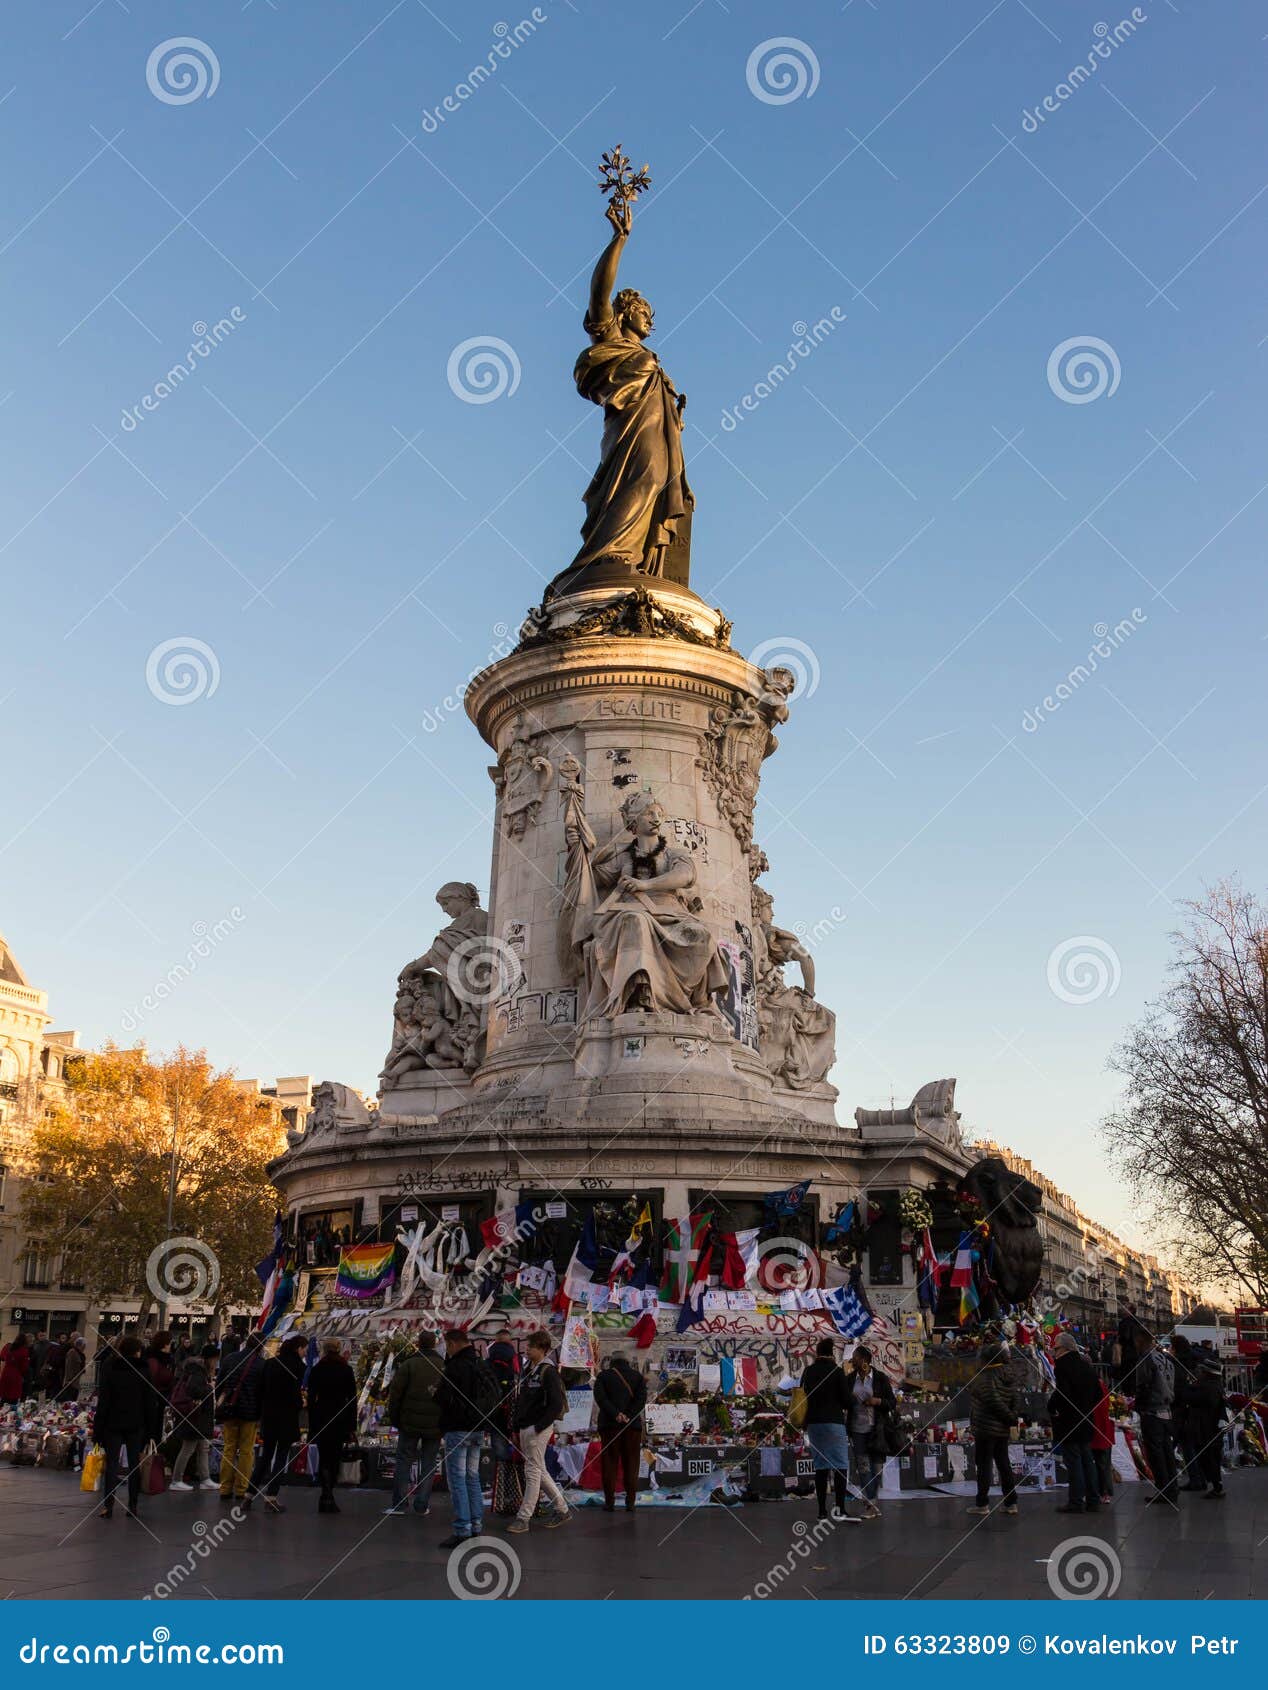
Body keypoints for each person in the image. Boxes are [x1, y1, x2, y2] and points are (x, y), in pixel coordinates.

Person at [437, 1328, 498, 1545]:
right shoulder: (481, 1363)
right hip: (478, 1428)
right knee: (473, 1477)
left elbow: (444, 1397)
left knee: (457, 1479)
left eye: (447, 1346)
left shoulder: (454, 1366)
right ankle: (476, 1524)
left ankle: (462, 1528)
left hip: (458, 1428)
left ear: (452, 1344)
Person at [92, 1334, 162, 1520]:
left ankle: (108, 1506)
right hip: (136, 1423)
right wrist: (152, 1430)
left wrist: (98, 1429)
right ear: (137, 1351)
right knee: (134, 1465)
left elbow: (104, 1402)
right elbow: (150, 1402)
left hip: (112, 1422)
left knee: (112, 1465)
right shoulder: (144, 1369)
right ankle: (132, 1505)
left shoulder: (110, 1368)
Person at [509, 1329, 571, 1534]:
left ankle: (523, 1517)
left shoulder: (548, 1372)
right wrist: (516, 1427)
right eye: (527, 1346)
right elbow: (521, 1400)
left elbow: (556, 1404)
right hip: (526, 1426)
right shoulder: (528, 1369)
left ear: (543, 1349)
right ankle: (562, 1509)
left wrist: (538, 1427)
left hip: (537, 1428)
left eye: (531, 1346)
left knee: (532, 1471)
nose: (527, 1349)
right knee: (538, 1469)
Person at [798, 1338, 860, 1523]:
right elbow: (846, 1400)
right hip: (833, 1422)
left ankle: (822, 1512)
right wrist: (854, 1400)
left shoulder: (808, 1371)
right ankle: (840, 1509)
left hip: (814, 1424)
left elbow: (803, 1396)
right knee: (840, 1466)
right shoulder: (837, 1371)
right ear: (831, 1352)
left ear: (817, 1353)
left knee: (821, 1467)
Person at [384, 1330, 444, 1517]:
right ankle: (422, 1504)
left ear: (418, 1343)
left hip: (409, 1423)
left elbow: (395, 1395)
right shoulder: (443, 1366)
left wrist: (396, 1419)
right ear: (434, 1344)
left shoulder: (409, 1364)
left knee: (404, 1461)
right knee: (429, 1463)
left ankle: (399, 1504)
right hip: (435, 1424)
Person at [1050, 1332, 1103, 1514]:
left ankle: (1076, 1501)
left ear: (1064, 1348)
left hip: (1069, 1420)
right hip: (1086, 1418)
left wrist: (1053, 1407)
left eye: (1056, 1348)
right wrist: (1086, 1406)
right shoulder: (1085, 1365)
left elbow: (1062, 1393)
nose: (1054, 1352)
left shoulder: (1063, 1366)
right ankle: (1093, 1499)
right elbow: (1098, 1393)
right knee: (1088, 1460)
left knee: (1074, 1461)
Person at [254, 1334, 307, 1514]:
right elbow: (294, 1394)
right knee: (281, 1457)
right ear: (298, 1348)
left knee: (265, 1456)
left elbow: (260, 1389)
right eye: (304, 1349)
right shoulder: (298, 1367)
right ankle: (271, 1496)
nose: (305, 1353)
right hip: (286, 1418)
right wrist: (300, 1403)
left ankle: (248, 1494)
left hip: (269, 1416)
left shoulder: (270, 1363)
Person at [967, 1341, 1019, 1516]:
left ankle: (982, 1503)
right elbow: (1015, 1398)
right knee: (1004, 1464)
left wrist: (1009, 1417)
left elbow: (992, 1399)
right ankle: (1011, 1502)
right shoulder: (1008, 1373)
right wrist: (1012, 1417)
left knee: (984, 1466)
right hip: (1002, 1428)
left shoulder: (984, 1376)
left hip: (985, 1427)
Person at [842, 1344, 895, 1518]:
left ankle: (872, 1502)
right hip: (857, 1430)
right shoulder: (850, 1379)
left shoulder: (880, 1378)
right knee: (864, 1468)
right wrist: (850, 1400)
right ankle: (871, 1505)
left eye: (855, 1358)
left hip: (877, 1430)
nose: (852, 1361)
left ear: (865, 1360)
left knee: (877, 1469)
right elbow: (844, 1403)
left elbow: (892, 1402)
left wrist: (876, 1401)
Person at [306, 1338, 358, 1515]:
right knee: (335, 1457)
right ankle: (329, 1494)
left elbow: (311, 1398)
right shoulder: (346, 1370)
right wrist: (352, 1425)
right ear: (338, 1349)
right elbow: (352, 1399)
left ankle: (325, 1493)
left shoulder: (317, 1369)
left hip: (322, 1417)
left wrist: (312, 1422)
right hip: (340, 1418)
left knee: (324, 1456)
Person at [215, 1333, 265, 1507]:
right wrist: (260, 1415)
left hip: (230, 1411)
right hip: (250, 1413)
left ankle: (225, 1488)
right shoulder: (261, 1364)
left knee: (229, 1448)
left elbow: (219, 1384)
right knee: (246, 1451)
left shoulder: (230, 1359)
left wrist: (221, 1402)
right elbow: (262, 1393)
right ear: (261, 1346)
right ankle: (242, 1489)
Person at [594, 1353, 647, 1513]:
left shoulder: (603, 1376)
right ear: (627, 1362)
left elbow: (601, 1398)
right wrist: (628, 1415)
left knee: (609, 1463)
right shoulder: (637, 1377)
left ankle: (609, 1502)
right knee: (631, 1464)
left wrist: (616, 1414)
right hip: (632, 1427)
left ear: (611, 1362)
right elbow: (641, 1400)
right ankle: (630, 1502)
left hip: (610, 1426)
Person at [1132, 1328, 1179, 1508]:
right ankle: (1172, 1487)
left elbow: (1144, 1385)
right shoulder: (1165, 1358)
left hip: (1152, 1410)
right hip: (1166, 1408)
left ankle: (1164, 1489)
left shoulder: (1146, 1359)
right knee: (1167, 1452)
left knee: (1156, 1454)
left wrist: (1139, 1405)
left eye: (1136, 1342)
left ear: (1141, 1341)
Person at [169, 1343, 218, 1492]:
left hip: (197, 1416)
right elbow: (194, 1390)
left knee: (203, 1447)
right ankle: (176, 1480)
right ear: (210, 1358)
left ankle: (205, 1478)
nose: (216, 1363)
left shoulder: (197, 1370)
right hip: (194, 1417)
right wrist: (209, 1388)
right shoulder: (198, 1372)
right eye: (215, 1359)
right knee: (188, 1448)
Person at [1185, 1360, 1228, 1500]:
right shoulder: (1214, 1385)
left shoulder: (1209, 1387)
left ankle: (1217, 1487)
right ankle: (1214, 1485)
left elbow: (1193, 1398)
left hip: (1207, 1430)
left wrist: (1188, 1387)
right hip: (1208, 1430)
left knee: (1210, 1459)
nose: (1199, 1373)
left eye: (1202, 1371)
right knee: (1210, 1459)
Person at [1090, 1374, 1115, 1505]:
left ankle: (1101, 1492)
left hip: (1096, 1429)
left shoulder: (1091, 1386)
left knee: (1099, 1464)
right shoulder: (1101, 1385)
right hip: (1104, 1429)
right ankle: (1105, 1492)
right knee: (1104, 1464)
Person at [144, 1330, 176, 1404]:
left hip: (165, 1398)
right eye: (169, 1344)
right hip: (157, 1399)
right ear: (164, 1345)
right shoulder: (153, 1360)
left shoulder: (168, 1358)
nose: (170, 1346)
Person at [0, 1332, 32, 1405]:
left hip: (6, 1373)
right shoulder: (24, 1351)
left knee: (4, 1396)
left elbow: (2, 1357)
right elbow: (24, 1367)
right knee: (13, 1397)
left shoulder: (8, 1347)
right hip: (16, 1375)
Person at [60, 1335, 88, 1404]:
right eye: (84, 1346)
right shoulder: (72, 1352)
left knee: (74, 1400)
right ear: (81, 1345)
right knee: (69, 1401)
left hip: (76, 1381)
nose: (84, 1348)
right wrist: (69, 1380)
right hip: (71, 1382)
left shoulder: (80, 1353)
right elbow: (69, 1367)